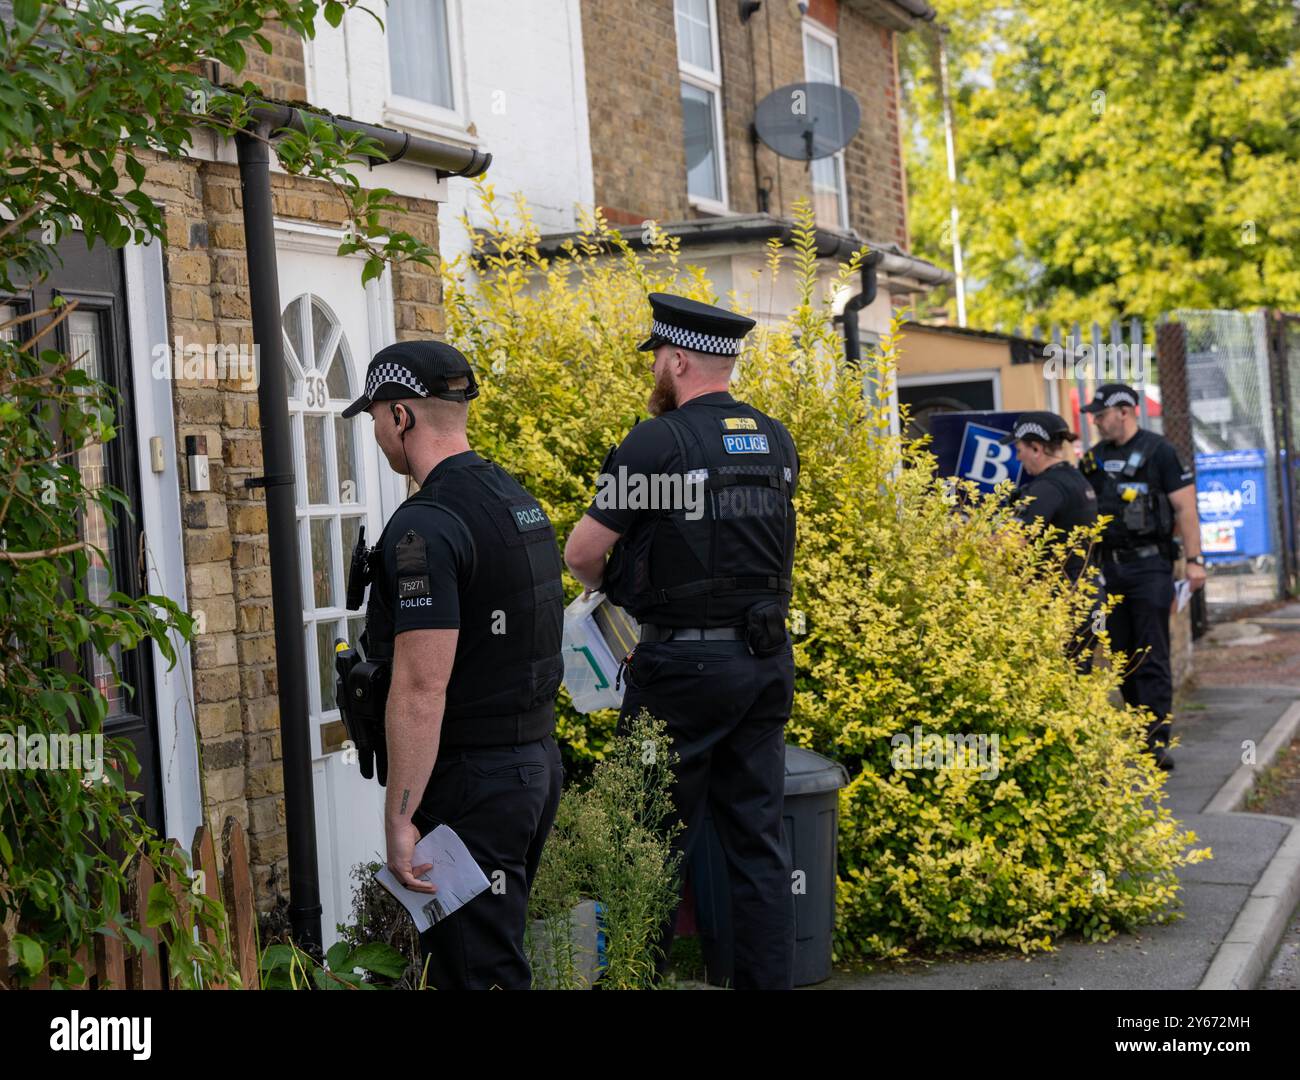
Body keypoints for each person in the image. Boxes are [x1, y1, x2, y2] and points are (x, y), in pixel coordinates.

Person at [564, 292, 799, 990]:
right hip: (763, 663)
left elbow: (581, 553)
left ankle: (640, 981)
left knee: (647, 843)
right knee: (757, 845)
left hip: (681, 674)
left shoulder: (657, 443)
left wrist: (612, 590)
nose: (656, 372)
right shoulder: (775, 440)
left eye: (658, 360)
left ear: (678, 360)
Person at [342, 339, 565, 989]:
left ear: (402, 415)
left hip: (473, 785)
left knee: (477, 974)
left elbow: (420, 687)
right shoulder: (516, 501)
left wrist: (400, 816)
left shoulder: (426, 526)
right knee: (484, 960)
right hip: (531, 766)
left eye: (376, 416)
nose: (377, 432)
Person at [1079, 383, 1206, 770]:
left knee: (1151, 652)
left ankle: (1155, 741)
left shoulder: (1160, 451)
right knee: (1121, 654)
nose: (1096, 421)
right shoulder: (1094, 459)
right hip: (1109, 567)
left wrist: (1195, 560)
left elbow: (1185, 508)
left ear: (1126, 411)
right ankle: (1138, 731)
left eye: (1101, 414)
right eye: (1094, 416)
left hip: (1150, 565)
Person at [1002, 411, 1100, 668]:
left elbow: (1013, 541)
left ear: (1036, 448)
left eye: (1020, 449)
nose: (1018, 457)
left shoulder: (1047, 489)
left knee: (1056, 677)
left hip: (1063, 601)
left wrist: (970, 539)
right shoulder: (1076, 479)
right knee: (1078, 675)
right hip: (1088, 596)